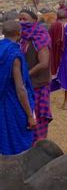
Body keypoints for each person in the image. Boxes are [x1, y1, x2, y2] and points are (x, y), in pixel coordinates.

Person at [0, 21, 36, 155]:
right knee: (18, 143)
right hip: (12, 105)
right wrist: (29, 116)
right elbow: (20, 89)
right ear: (18, 34)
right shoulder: (15, 55)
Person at [18, 9, 52, 142]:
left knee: (37, 118)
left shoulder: (40, 37)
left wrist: (25, 75)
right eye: (19, 19)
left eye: (24, 19)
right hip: (26, 85)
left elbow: (44, 63)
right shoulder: (22, 38)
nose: (21, 22)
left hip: (38, 85)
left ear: (35, 20)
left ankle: (38, 148)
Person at [49, 9, 67, 110]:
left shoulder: (52, 26)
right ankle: (65, 102)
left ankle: (45, 99)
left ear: (57, 17)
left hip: (54, 56)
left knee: (50, 76)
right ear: (66, 18)